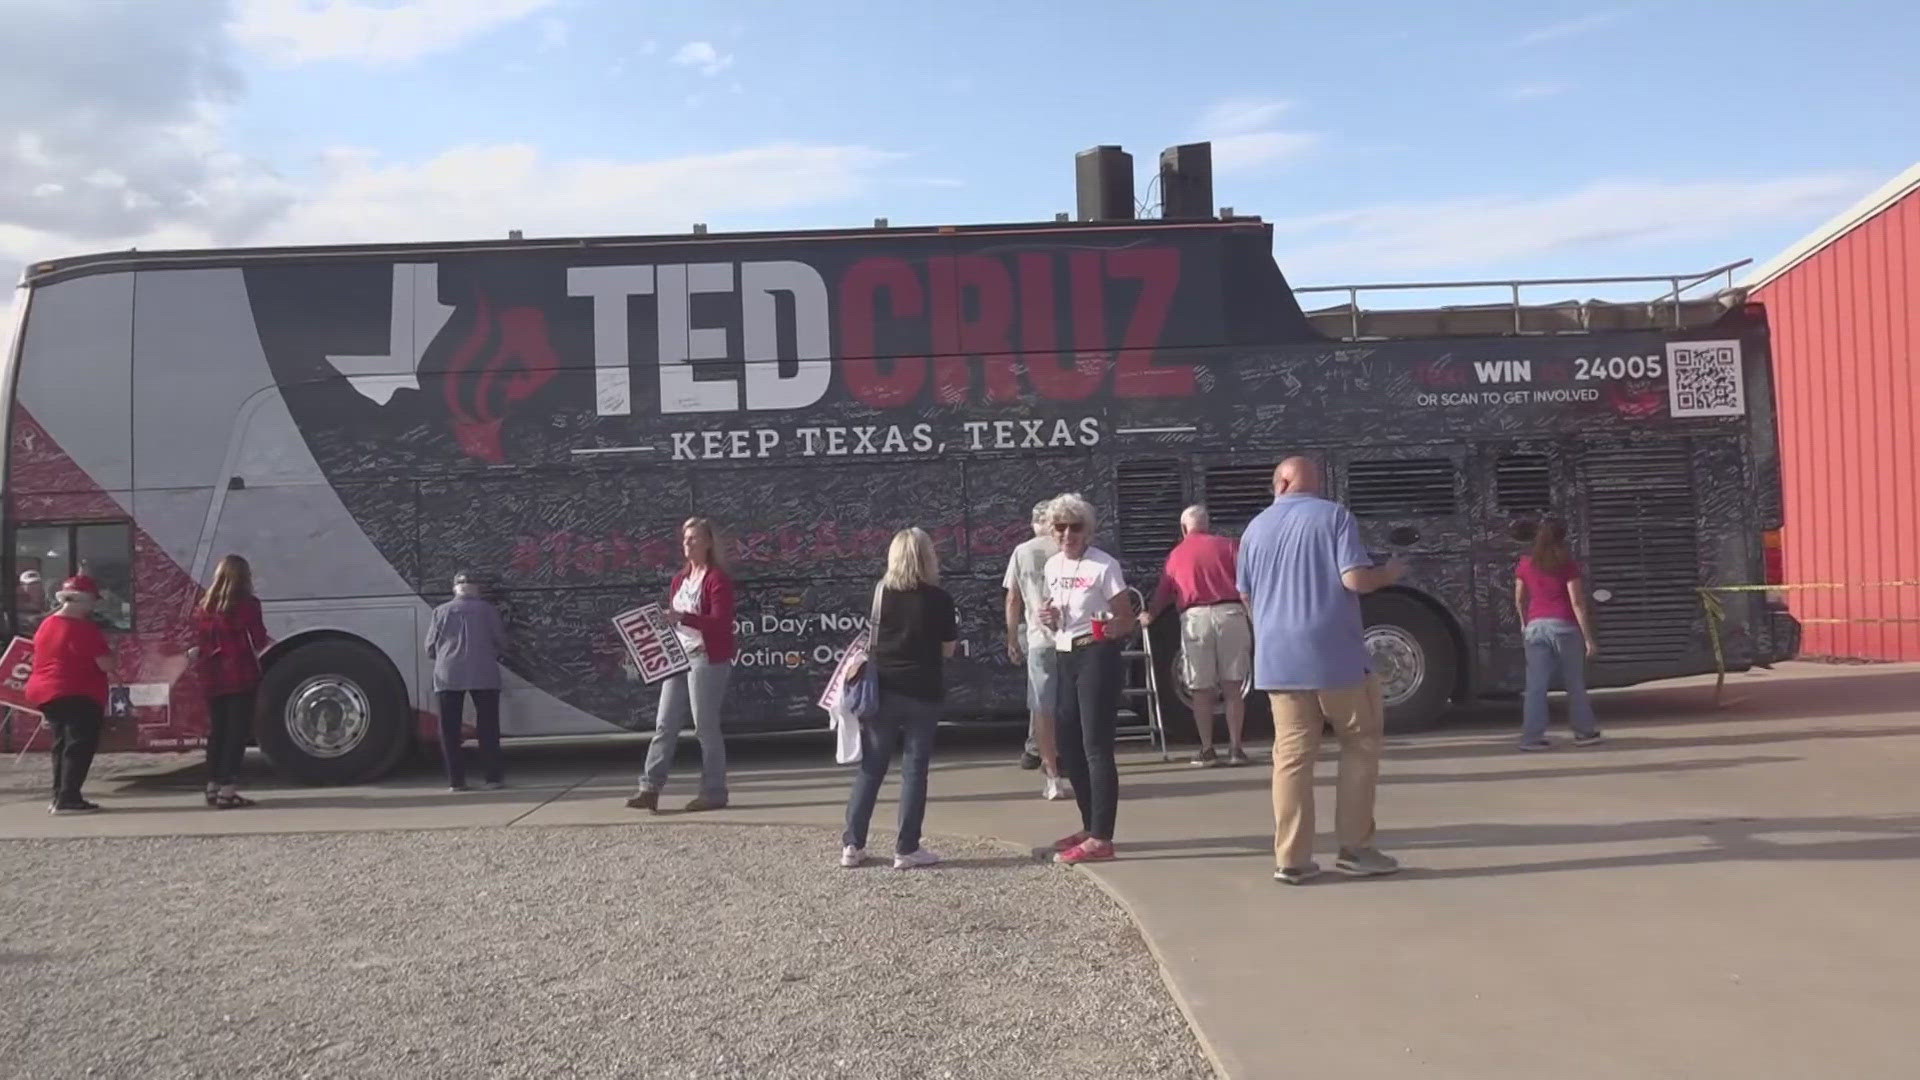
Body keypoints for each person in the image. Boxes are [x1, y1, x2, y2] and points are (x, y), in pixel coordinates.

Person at [1237, 457, 1405, 885]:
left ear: (1281, 481)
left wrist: (1271, 632)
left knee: (1291, 758)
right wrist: (1387, 574)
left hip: (1277, 659)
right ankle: (1355, 848)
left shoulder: (1254, 528)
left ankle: (1291, 858)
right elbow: (1354, 580)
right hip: (1334, 656)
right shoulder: (1335, 517)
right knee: (1360, 743)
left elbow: (1246, 594)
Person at [840, 527, 958, 870]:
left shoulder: (880, 593)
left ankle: (853, 845)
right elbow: (948, 649)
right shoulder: (940, 598)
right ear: (927, 557)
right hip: (924, 689)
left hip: (884, 690)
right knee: (914, 771)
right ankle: (906, 849)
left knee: (871, 769)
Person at [1040, 492, 1137, 865]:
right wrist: (1048, 618)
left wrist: (1112, 628)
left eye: (1075, 527)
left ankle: (1102, 837)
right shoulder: (1051, 566)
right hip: (1065, 652)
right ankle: (1087, 825)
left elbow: (1126, 618)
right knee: (1069, 741)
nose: (1068, 534)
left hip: (1097, 653)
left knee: (1096, 744)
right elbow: (1055, 613)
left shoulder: (1104, 565)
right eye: (1061, 527)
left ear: (1088, 530)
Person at [629, 517, 736, 813]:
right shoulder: (680, 578)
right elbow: (676, 619)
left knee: (705, 727)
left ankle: (714, 792)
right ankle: (649, 788)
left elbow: (720, 622)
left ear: (708, 542)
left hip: (706, 657)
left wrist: (682, 618)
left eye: (693, 539)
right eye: (684, 539)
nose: (686, 544)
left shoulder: (716, 579)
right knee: (665, 723)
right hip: (678, 656)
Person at [1143, 505, 1254, 768]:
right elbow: (1247, 583)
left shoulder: (1175, 556)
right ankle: (1236, 748)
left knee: (1201, 689)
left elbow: (1164, 593)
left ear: (1184, 529)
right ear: (1207, 524)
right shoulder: (1230, 546)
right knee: (1233, 687)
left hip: (1196, 620)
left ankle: (1207, 749)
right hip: (1231, 614)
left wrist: (1150, 614)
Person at [189, 555, 273, 808]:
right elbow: (257, 640)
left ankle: (212, 787)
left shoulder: (205, 605)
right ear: (244, 576)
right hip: (239, 675)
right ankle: (228, 791)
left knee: (218, 732)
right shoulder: (248, 605)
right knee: (236, 734)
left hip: (212, 675)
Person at [26, 576, 113, 814]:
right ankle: (69, 798)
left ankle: (59, 796)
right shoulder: (83, 628)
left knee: (61, 745)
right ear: (81, 600)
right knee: (78, 745)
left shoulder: (47, 624)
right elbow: (106, 664)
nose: (93, 607)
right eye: (92, 601)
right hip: (77, 691)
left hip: (46, 691)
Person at [1003, 498, 1071, 800]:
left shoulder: (1022, 552)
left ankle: (1051, 772)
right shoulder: (1067, 548)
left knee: (1042, 707)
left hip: (1038, 639)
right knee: (1069, 706)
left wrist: (1012, 637)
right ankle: (1070, 761)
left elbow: (1013, 599)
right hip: (1070, 638)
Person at [1515, 518, 1602, 751]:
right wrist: (1588, 638)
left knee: (1535, 686)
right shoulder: (1567, 564)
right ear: (1563, 537)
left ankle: (1532, 738)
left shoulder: (1525, 564)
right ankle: (1584, 733)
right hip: (1565, 627)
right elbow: (1576, 602)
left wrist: (1525, 624)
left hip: (1535, 628)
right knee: (1573, 683)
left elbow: (1520, 598)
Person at [424, 571, 511, 791]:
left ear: (455, 588)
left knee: (449, 730)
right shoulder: (488, 611)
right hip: (484, 673)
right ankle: (493, 778)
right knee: (488, 728)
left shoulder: (440, 611)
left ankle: (457, 781)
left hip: (448, 675)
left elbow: (429, 649)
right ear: (477, 588)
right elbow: (501, 642)